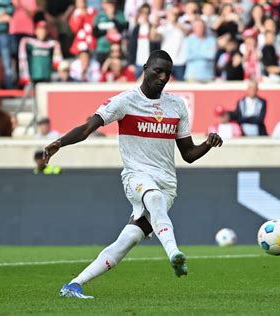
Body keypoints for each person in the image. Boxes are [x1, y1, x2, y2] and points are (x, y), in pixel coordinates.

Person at [43, 50, 223, 299]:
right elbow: (87, 129)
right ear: (145, 67)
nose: (162, 77)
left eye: (167, 74)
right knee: (153, 197)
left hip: (167, 182)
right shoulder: (124, 101)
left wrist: (208, 143)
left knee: (126, 241)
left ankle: (73, 285)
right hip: (135, 176)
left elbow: (189, 154)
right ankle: (174, 253)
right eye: (157, 71)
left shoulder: (176, 105)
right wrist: (59, 143)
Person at [18, 21, 63, 85]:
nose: (42, 33)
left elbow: (57, 61)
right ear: (35, 31)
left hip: (47, 76)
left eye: (43, 30)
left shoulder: (52, 45)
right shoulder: (29, 44)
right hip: (33, 77)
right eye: (40, 30)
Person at [156, 6, 188, 81]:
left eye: (176, 14)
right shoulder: (163, 27)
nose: (174, 15)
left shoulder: (183, 24)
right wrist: (155, 24)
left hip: (180, 61)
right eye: (172, 13)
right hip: (166, 62)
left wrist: (175, 23)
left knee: (181, 86)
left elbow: (186, 32)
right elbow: (154, 37)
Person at [93, 0, 127, 65]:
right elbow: (95, 33)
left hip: (116, 50)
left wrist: (112, 17)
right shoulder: (99, 16)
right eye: (108, 3)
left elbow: (123, 28)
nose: (111, 5)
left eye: (112, 3)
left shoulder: (119, 15)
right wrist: (107, 31)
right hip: (102, 49)